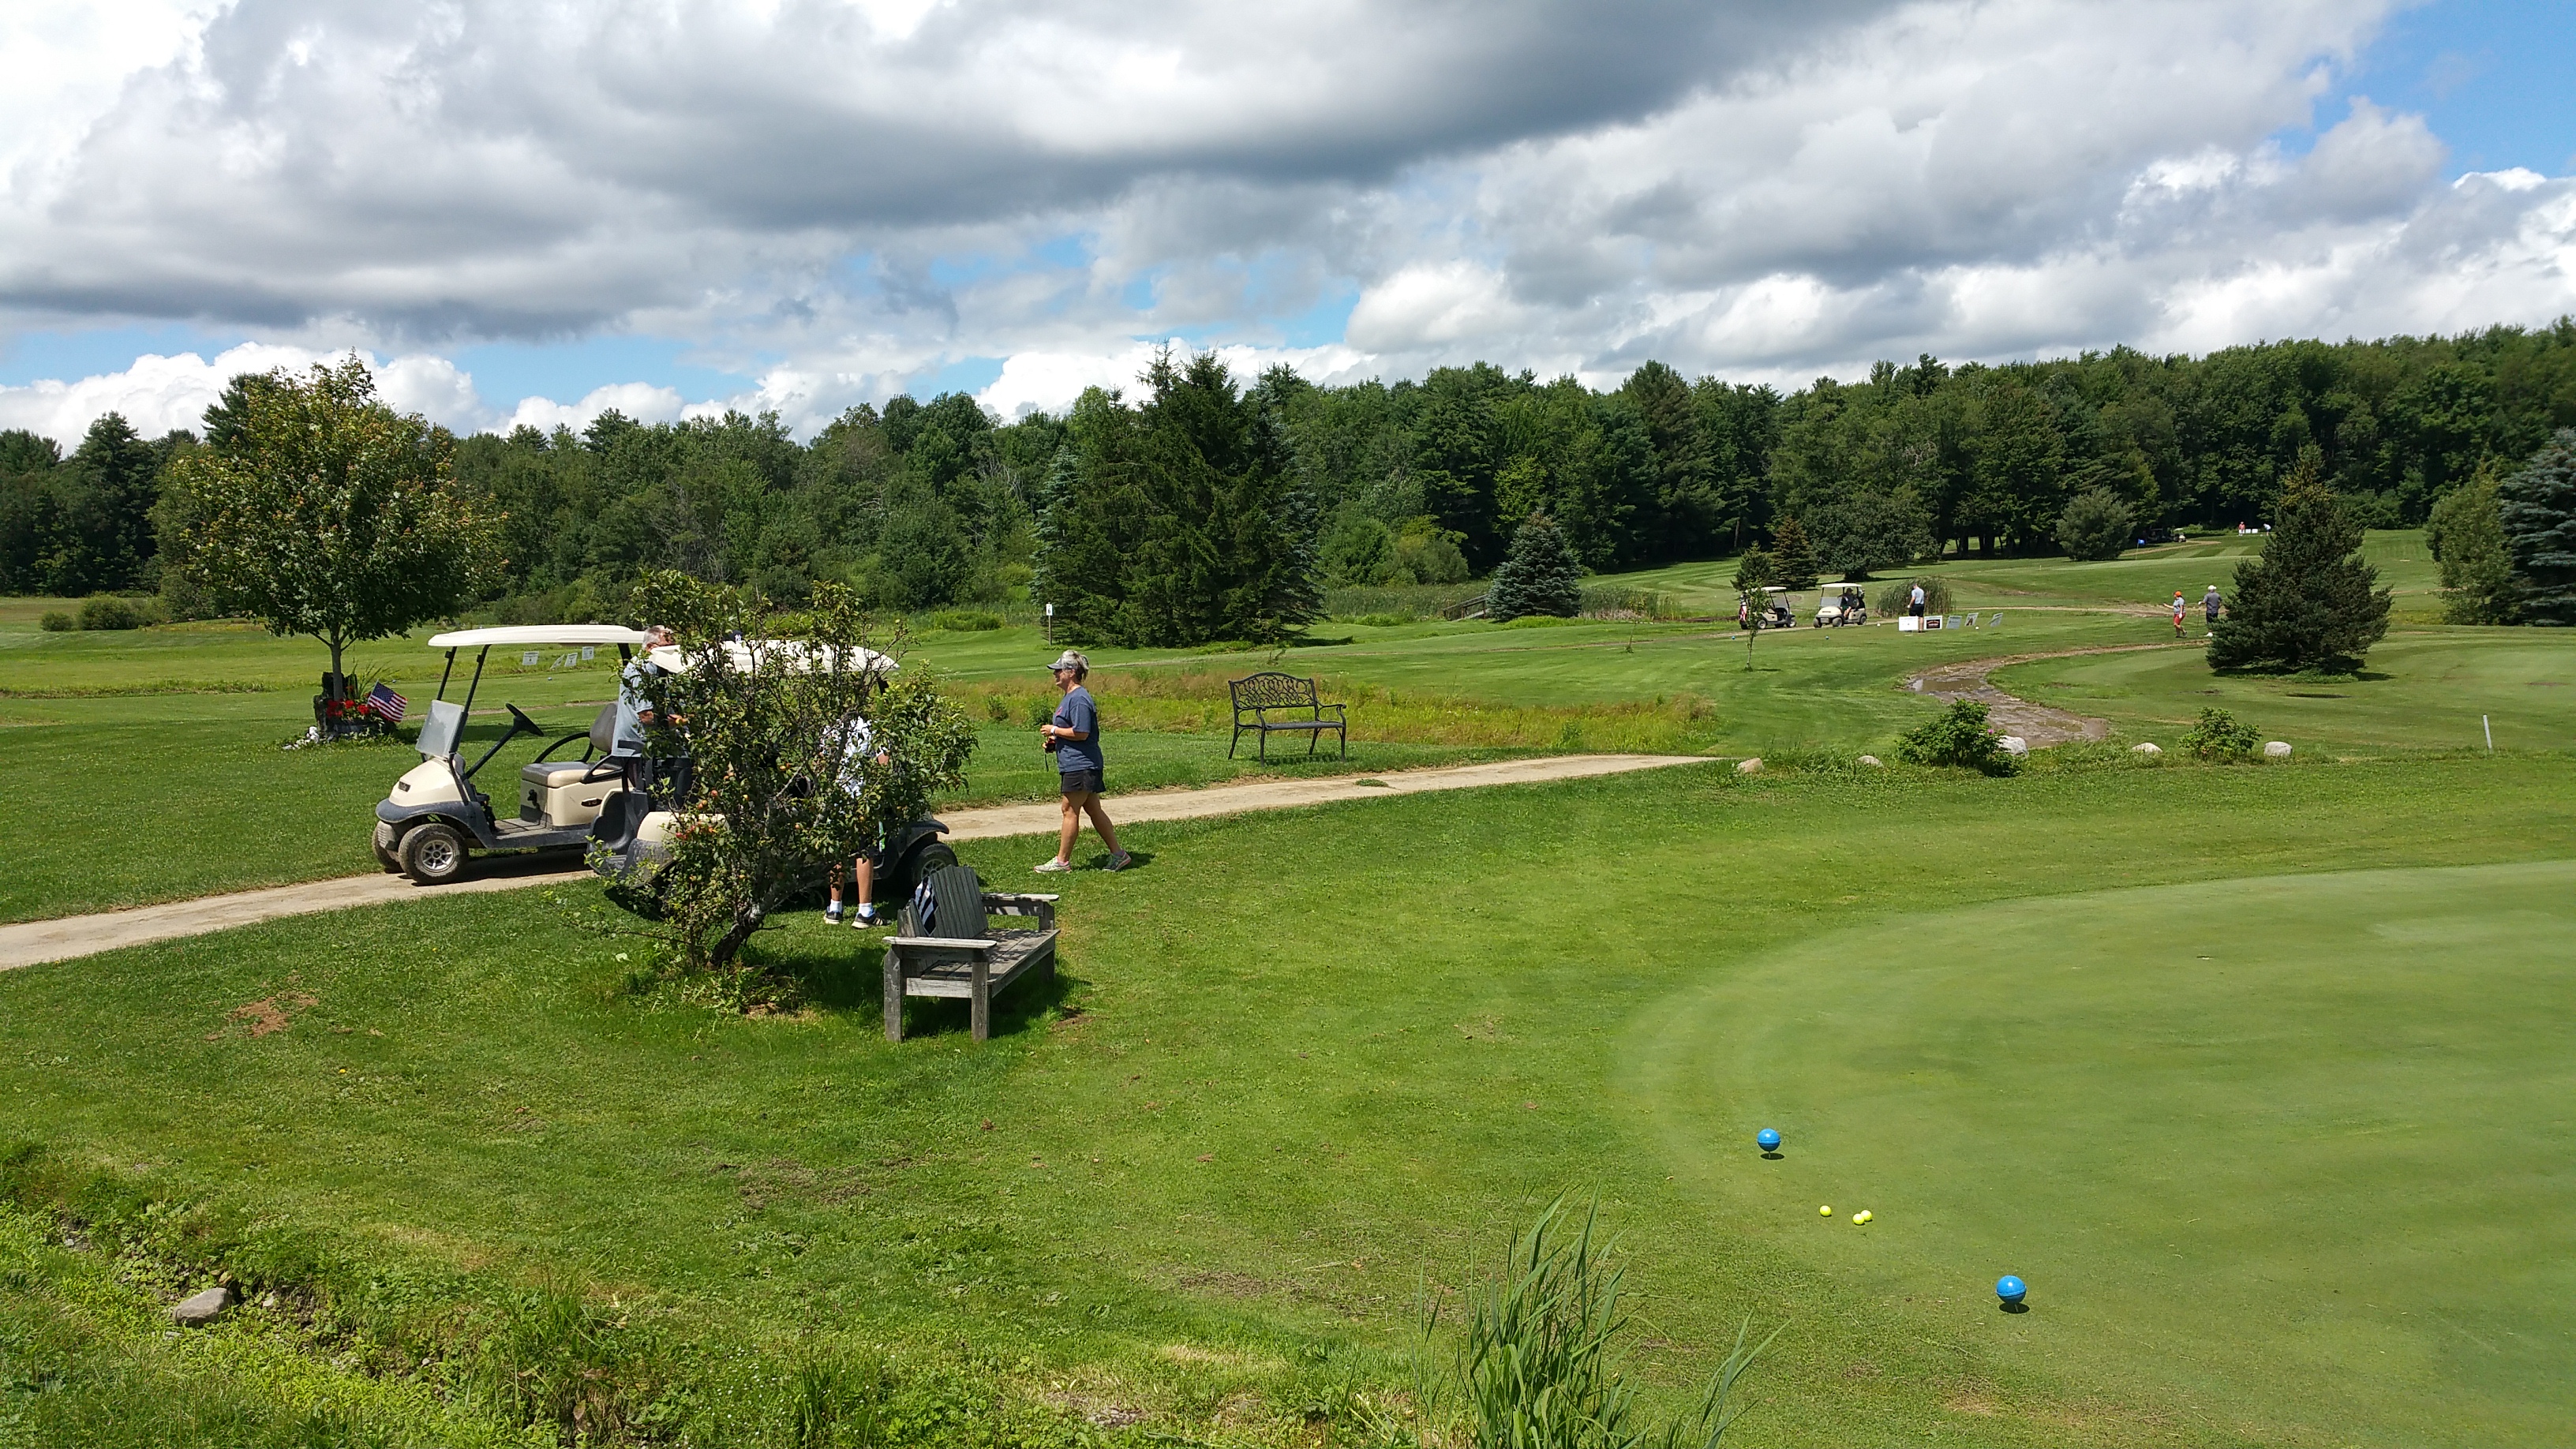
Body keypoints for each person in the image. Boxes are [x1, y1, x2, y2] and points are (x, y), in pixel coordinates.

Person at [1035, 650, 1128, 874]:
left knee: (1069, 809)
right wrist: (1056, 742)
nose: (1055, 674)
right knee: (1093, 809)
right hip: (1079, 763)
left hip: (1081, 765)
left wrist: (1054, 730)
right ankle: (1119, 855)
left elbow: (1082, 732)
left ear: (1071, 672)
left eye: (1059, 670)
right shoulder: (1070, 698)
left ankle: (1062, 862)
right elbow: (1073, 732)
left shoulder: (1079, 699)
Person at [826, 710, 891, 927]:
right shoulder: (871, 727)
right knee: (864, 852)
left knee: (838, 853)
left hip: (837, 800)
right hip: (862, 800)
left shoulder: (832, 727)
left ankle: (834, 908)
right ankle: (865, 911)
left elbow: (822, 762)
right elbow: (884, 762)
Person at [612, 624, 676, 789]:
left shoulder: (660, 669)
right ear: (650, 648)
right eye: (667, 647)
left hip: (651, 747)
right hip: (637, 749)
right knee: (650, 796)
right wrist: (681, 721)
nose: (673, 652)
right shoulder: (642, 670)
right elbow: (646, 716)